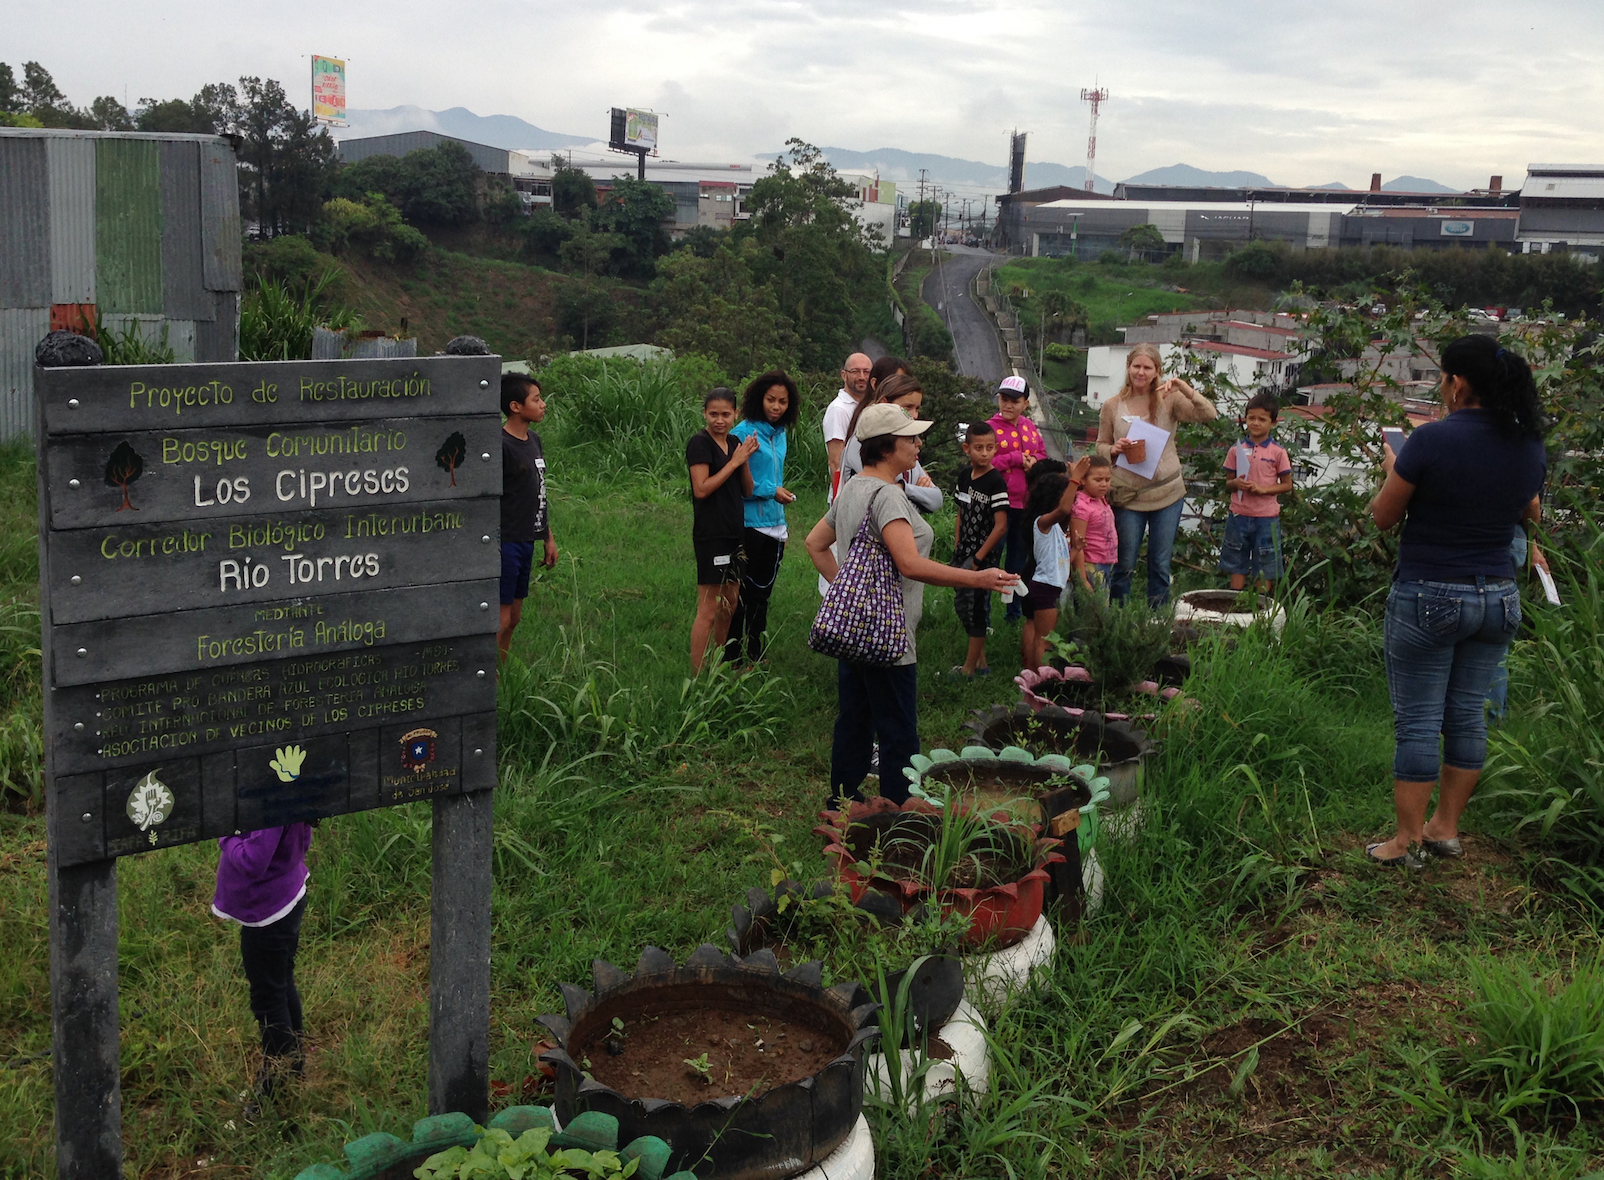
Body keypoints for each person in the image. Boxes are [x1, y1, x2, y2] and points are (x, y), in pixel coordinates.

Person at [1364, 335, 1547, 868]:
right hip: (1498, 596)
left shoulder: (1429, 441)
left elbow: (1383, 516)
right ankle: (1445, 829)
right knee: (1468, 715)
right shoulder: (1529, 444)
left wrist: (1392, 468)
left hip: (1430, 592)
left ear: (1458, 383)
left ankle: (1405, 841)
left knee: (1418, 721)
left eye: (1442, 378)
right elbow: (1527, 513)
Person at [805, 405, 1020, 804]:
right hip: (890, 633)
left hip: (855, 630)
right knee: (898, 729)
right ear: (887, 447)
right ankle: (898, 817)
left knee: (854, 719)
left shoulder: (852, 487)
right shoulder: (888, 496)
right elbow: (910, 563)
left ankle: (841, 804)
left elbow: (815, 544)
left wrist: (847, 596)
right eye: (910, 438)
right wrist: (980, 578)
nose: (918, 443)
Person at [1097, 343, 1218, 605]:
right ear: (1128, 367)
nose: (1141, 372)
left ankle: (1157, 624)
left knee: (1160, 564)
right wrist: (1114, 450)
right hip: (1130, 496)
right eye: (1136, 366)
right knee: (1124, 563)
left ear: (1157, 371)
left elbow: (1209, 414)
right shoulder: (1112, 405)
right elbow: (1100, 444)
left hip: (1168, 493)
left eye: (1147, 367)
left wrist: (1183, 388)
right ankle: (1118, 622)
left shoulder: (1169, 400)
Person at [213, 821, 313, 1116]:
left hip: (267, 910)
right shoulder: (288, 781)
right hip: (287, 891)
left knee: (268, 999)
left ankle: (275, 1089)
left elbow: (252, 861)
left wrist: (225, 835)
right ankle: (293, 1070)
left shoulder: (272, 797)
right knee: (281, 984)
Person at [724, 370, 799, 664]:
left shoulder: (779, 435)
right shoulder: (743, 433)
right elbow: (735, 484)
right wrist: (771, 491)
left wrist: (777, 495)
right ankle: (733, 657)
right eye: (771, 400)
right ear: (759, 399)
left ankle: (756, 653)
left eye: (782, 401)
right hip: (749, 524)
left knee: (762, 594)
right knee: (740, 595)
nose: (776, 407)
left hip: (776, 524)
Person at [687, 388, 757, 672]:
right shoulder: (699, 444)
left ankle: (719, 664)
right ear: (704, 413)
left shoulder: (735, 442)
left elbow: (748, 490)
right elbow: (701, 489)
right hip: (711, 533)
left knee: (730, 603)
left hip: (735, 532)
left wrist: (745, 461)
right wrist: (735, 462)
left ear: (735, 415)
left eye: (725, 414)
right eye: (713, 414)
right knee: (709, 607)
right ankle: (697, 673)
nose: (719, 420)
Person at [498, 374, 557, 660]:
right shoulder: (500, 446)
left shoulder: (534, 439)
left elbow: (539, 492)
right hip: (506, 541)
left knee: (515, 617)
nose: (543, 404)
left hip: (528, 539)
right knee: (501, 617)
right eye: (536, 399)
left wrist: (547, 537)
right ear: (515, 406)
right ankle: (486, 680)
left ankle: (500, 671)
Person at [951, 421, 1011, 679]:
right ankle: (981, 661)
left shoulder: (995, 482)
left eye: (989, 448)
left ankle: (969, 669)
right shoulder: (965, 477)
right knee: (961, 603)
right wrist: (957, 545)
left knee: (976, 606)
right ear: (967, 449)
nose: (984, 453)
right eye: (978, 448)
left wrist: (978, 558)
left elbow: (1000, 526)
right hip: (963, 551)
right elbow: (961, 513)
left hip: (983, 558)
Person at [1219, 391, 1293, 593]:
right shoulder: (1237, 450)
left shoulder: (1278, 452)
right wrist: (1236, 483)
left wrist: (1264, 489)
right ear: (1245, 420)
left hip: (1266, 517)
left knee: (1266, 562)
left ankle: (1261, 609)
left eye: (1262, 419)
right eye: (1251, 418)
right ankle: (1235, 603)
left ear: (1273, 423)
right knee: (1236, 559)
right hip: (1239, 513)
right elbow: (1228, 483)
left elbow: (1287, 484)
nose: (1256, 423)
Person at [988, 376, 1048, 622]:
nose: (1008, 405)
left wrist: (1035, 462)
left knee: (1017, 560)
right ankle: (985, 615)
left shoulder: (1030, 427)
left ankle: (1012, 613)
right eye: (1004, 399)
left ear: (1025, 403)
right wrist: (1013, 458)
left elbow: (1043, 454)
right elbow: (983, 462)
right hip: (998, 503)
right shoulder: (989, 427)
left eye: (1015, 400)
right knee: (992, 557)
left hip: (1024, 504)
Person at [840, 373, 943, 513]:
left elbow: (936, 499)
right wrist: (918, 493)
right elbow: (886, 496)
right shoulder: (862, 442)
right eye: (907, 407)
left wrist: (904, 488)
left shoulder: (904, 446)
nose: (914, 415)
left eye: (917, 408)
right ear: (884, 403)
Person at [1020, 467, 1085, 671]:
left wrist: (1076, 549)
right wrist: (1074, 480)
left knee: (1041, 638)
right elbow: (1064, 509)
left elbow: (1062, 565)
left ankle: (1031, 674)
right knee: (1045, 641)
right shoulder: (1042, 522)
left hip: (1048, 586)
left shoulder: (1056, 529)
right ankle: (1040, 679)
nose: (1072, 502)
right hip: (1045, 588)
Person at [823, 352, 874, 500]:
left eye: (867, 372)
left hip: (868, 490)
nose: (862, 377)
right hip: (848, 495)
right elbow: (835, 461)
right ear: (844, 375)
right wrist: (842, 500)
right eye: (855, 371)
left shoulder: (871, 405)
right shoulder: (838, 410)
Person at [1071, 454, 1119, 595]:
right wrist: (1083, 579)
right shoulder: (1082, 507)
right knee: (1095, 609)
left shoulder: (1101, 500)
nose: (1104, 484)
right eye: (1098, 480)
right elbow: (1077, 544)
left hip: (1105, 564)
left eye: (1107, 480)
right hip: (1091, 565)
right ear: (1083, 480)